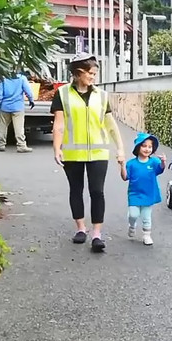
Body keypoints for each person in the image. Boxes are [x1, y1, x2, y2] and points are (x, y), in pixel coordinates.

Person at [51, 53, 126, 253]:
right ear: (77, 73)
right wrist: (57, 148)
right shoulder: (63, 94)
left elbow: (111, 125)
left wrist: (120, 149)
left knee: (97, 191)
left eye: (94, 73)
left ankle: (97, 234)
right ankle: (81, 229)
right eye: (90, 73)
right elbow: (59, 124)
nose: (93, 77)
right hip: (73, 153)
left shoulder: (101, 95)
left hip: (99, 151)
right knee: (76, 190)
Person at [120, 132, 166, 246]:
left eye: (150, 147)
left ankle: (147, 235)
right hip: (134, 194)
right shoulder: (131, 164)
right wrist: (122, 165)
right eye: (144, 146)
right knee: (133, 214)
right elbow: (125, 177)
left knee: (146, 216)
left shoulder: (154, 162)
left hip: (148, 193)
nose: (147, 149)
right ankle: (132, 225)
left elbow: (160, 169)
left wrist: (163, 162)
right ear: (138, 147)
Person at [0, 70, 36, 153]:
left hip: (5, 107)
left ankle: (0, 144)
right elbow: (28, 91)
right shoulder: (22, 78)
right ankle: (21, 145)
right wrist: (31, 100)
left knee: (2, 126)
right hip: (18, 107)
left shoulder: (2, 78)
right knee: (19, 127)